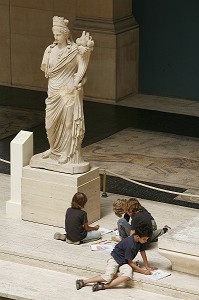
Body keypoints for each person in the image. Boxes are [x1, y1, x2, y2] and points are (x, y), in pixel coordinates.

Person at [40, 16, 94, 166]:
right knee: (49, 124)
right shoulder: (49, 51)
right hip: (53, 91)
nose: (56, 37)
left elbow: (83, 68)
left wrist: (79, 81)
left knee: (69, 123)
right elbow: (47, 70)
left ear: (66, 34)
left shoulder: (73, 51)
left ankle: (66, 152)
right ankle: (53, 148)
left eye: (58, 34)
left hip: (68, 91)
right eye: (54, 35)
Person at [75, 224, 157, 292]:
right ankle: (83, 281)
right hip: (115, 260)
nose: (146, 241)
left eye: (147, 239)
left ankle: (104, 286)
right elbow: (130, 263)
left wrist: (147, 267)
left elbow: (143, 252)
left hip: (124, 261)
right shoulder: (130, 245)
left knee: (127, 275)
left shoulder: (140, 241)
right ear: (138, 236)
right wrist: (143, 271)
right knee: (107, 277)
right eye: (144, 239)